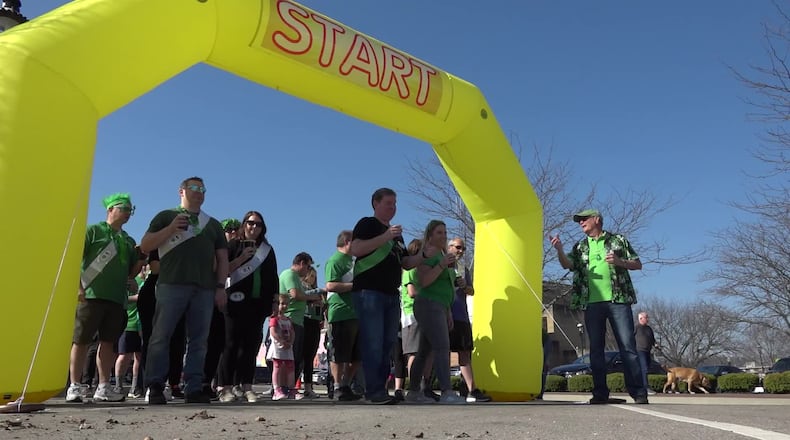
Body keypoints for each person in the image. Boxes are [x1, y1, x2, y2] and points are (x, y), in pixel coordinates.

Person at [140, 176, 228, 405]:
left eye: (202, 189)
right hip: (171, 284)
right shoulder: (166, 216)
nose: (199, 192)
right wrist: (171, 229)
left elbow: (222, 258)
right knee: (161, 336)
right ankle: (155, 386)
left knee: (199, 340)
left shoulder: (213, 224)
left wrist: (220, 287)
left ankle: (193, 387)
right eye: (194, 188)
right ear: (181, 191)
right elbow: (146, 245)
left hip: (205, 289)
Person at [550, 209, 648, 405]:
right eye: (579, 220)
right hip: (592, 303)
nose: (581, 223)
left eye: (584, 219)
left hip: (618, 300)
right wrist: (559, 250)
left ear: (597, 220)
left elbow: (638, 264)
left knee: (627, 346)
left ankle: (638, 392)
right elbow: (567, 265)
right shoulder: (580, 246)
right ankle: (600, 393)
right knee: (595, 349)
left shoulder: (617, 240)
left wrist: (620, 262)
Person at [66, 193, 143, 403]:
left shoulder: (129, 240)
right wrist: (79, 287)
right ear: (110, 209)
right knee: (81, 340)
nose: (128, 213)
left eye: (130, 210)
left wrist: (140, 262)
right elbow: (74, 257)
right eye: (124, 208)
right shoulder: (94, 231)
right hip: (91, 294)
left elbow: (132, 269)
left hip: (117, 298)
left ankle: (103, 386)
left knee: (108, 343)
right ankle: (75, 385)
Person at [350, 188, 425, 404]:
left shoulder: (397, 236)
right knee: (373, 342)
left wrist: (425, 254)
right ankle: (373, 391)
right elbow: (356, 249)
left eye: (395, 203)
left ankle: (380, 390)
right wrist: (385, 236)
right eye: (388, 203)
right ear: (375, 203)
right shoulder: (368, 224)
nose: (393, 207)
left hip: (391, 295)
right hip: (369, 292)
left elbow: (406, 262)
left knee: (386, 345)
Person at [217, 211, 278, 403]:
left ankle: (247, 386)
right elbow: (222, 270)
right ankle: (225, 387)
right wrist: (242, 257)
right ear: (244, 224)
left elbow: (272, 276)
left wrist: (275, 300)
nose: (254, 227)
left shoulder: (267, 249)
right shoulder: (233, 245)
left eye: (258, 224)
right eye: (250, 223)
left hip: (258, 303)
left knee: (250, 346)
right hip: (234, 301)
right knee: (230, 344)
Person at [407, 220, 466, 404]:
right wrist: (440, 265)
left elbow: (446, 285)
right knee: (442, 347)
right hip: (428, 304)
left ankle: (414, 392)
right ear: (430, 235)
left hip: (440, 306)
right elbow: (423, 281)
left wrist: (448, 311)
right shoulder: (427, 253)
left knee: (424, 351)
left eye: (445, 232)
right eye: (439, 232)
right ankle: (447, 391)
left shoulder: (442, 255)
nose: (443, 236)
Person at [447, 237, 491, 403]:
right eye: (458, 247)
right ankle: (445, 390)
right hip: (445, 313)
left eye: (463, 249)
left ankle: (472, 390)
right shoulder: (441, 263)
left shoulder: (463, 268)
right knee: (444, 353)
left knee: (465, 353)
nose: (461, 251)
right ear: (449, 247)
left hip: (462, 316)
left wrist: (465, 286)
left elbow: (472, 291)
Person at [324, 230, 362, 401]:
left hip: (357, 312)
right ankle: (338, 386)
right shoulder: (335, 260)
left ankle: (346, 384)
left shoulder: (354, 260)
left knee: (357, 355)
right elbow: (330, 285)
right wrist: (353, 286)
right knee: (339, 353)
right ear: (348, 241)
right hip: (341, 312)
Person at [279, 252, 322, 399]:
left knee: (296, 357)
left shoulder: (295, 277)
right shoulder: (290, 275)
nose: (308, 270)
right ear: (302, 263)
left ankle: (288, 389)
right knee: (291, 357)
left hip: (298, 321)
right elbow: (295, 294)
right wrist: (312, 297)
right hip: (292, 320)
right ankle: (284, 388)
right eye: (308, 266)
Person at [114, 267, 144, 397]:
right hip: (128, 324)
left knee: (139, 356)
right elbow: (121, 298)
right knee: (124, 355)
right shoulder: (128, 281)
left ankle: (135, 387)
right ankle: (118, 386)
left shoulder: (147, 282)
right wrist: (137, 297)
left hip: (141, 325)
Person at [299, 266, 325, 399]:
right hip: (304, 321)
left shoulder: (317, 292)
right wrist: (316, 293)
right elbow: (302, 296)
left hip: (315, 323)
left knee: (309, 357)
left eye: (315, 277)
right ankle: (290, 386)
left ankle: (308, 387)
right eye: (311, 276)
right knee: (300, 356)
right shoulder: (302, 287)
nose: (313, 279)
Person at [268, 295, 295, 400]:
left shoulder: (288, 320)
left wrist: (290, 342)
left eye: (286, 304)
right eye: (281, 303)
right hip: (278, 347)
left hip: (288, 347)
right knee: (277, 367)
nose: (284, 306)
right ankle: (276, 389)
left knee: (290, 367)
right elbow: (273, 332)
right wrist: (281, 341)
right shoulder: (274, 319)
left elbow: (292, 332)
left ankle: (291, 389)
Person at [635, 311, 657, 395]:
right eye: (646, 317)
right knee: (644, 368)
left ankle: (641, 386)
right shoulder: (636, 328)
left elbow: (652, 339)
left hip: (648, 351)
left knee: (646, 368)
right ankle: (645, 387)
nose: (648, 319)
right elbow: (630, 338)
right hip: (639, 350)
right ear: (641, 318)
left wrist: (655, 344)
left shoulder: (649, 329)